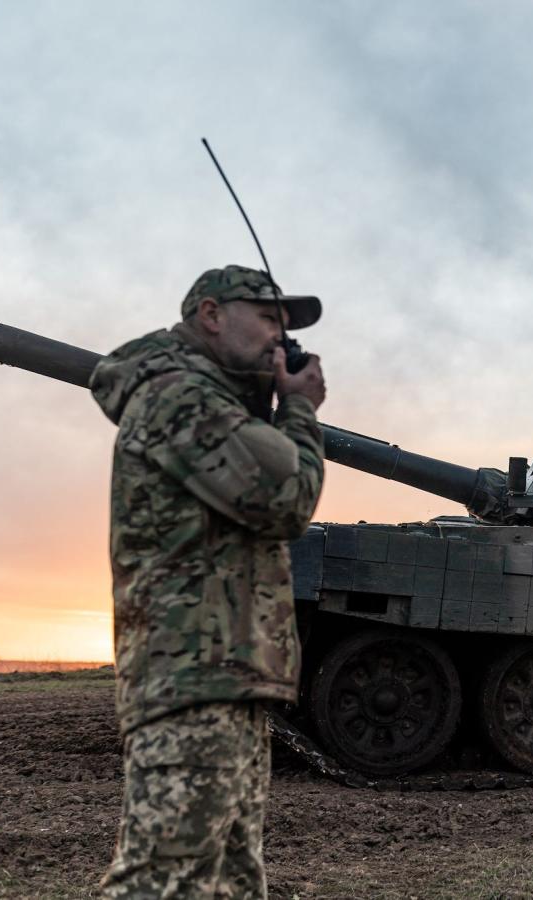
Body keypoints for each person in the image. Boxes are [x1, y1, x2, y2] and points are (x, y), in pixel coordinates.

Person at [89, 264, 327, 898]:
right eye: (269, 318)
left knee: (228, 880)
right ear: (212, 315)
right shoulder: (178, 397)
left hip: (225, 674)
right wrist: (298, 407)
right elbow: (285, 497)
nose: (281, 339)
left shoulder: (216, 400)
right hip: (192, 674)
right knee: (163, 879)